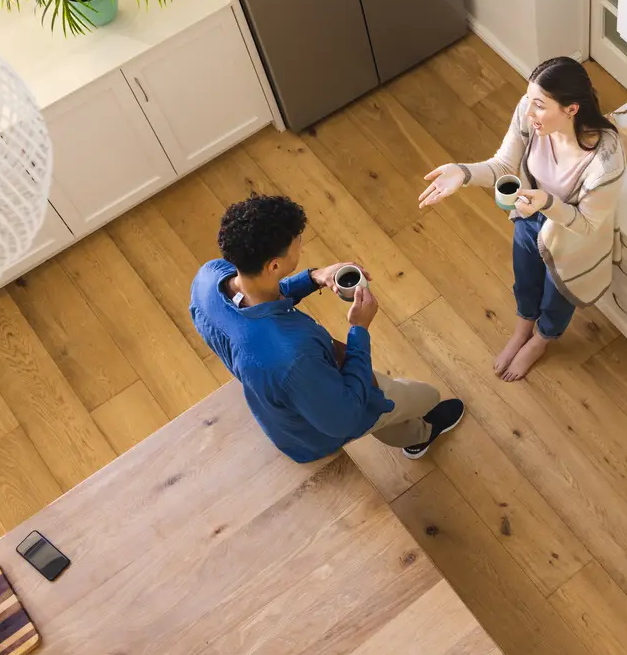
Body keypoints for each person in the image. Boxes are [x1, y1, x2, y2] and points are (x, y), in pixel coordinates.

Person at [189, 194, 464, 463]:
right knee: (424, 396)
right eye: (298, 244)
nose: (302, 248)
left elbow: (258, 300)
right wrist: (359, 329)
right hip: (320, 423)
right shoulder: (294, 357)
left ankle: (416, 437)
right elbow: (344, 419)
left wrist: (314, 277)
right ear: (274, 265)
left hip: (284, 412)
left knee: (388, 415)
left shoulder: (208, 279)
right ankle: (425, 430)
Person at [419, 57, 626, 381]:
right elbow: (503, 165)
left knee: (558, 293)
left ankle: (541, 340)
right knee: (526, 278)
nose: (528, 112)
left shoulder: (606, 159)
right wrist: (462, 172)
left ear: (571, 109)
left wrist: (548, 203)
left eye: (540, 105)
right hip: (531, 218)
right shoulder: (531, 116)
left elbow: (587, 224)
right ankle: (522, 328)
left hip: (573, 236)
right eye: (529, 100)